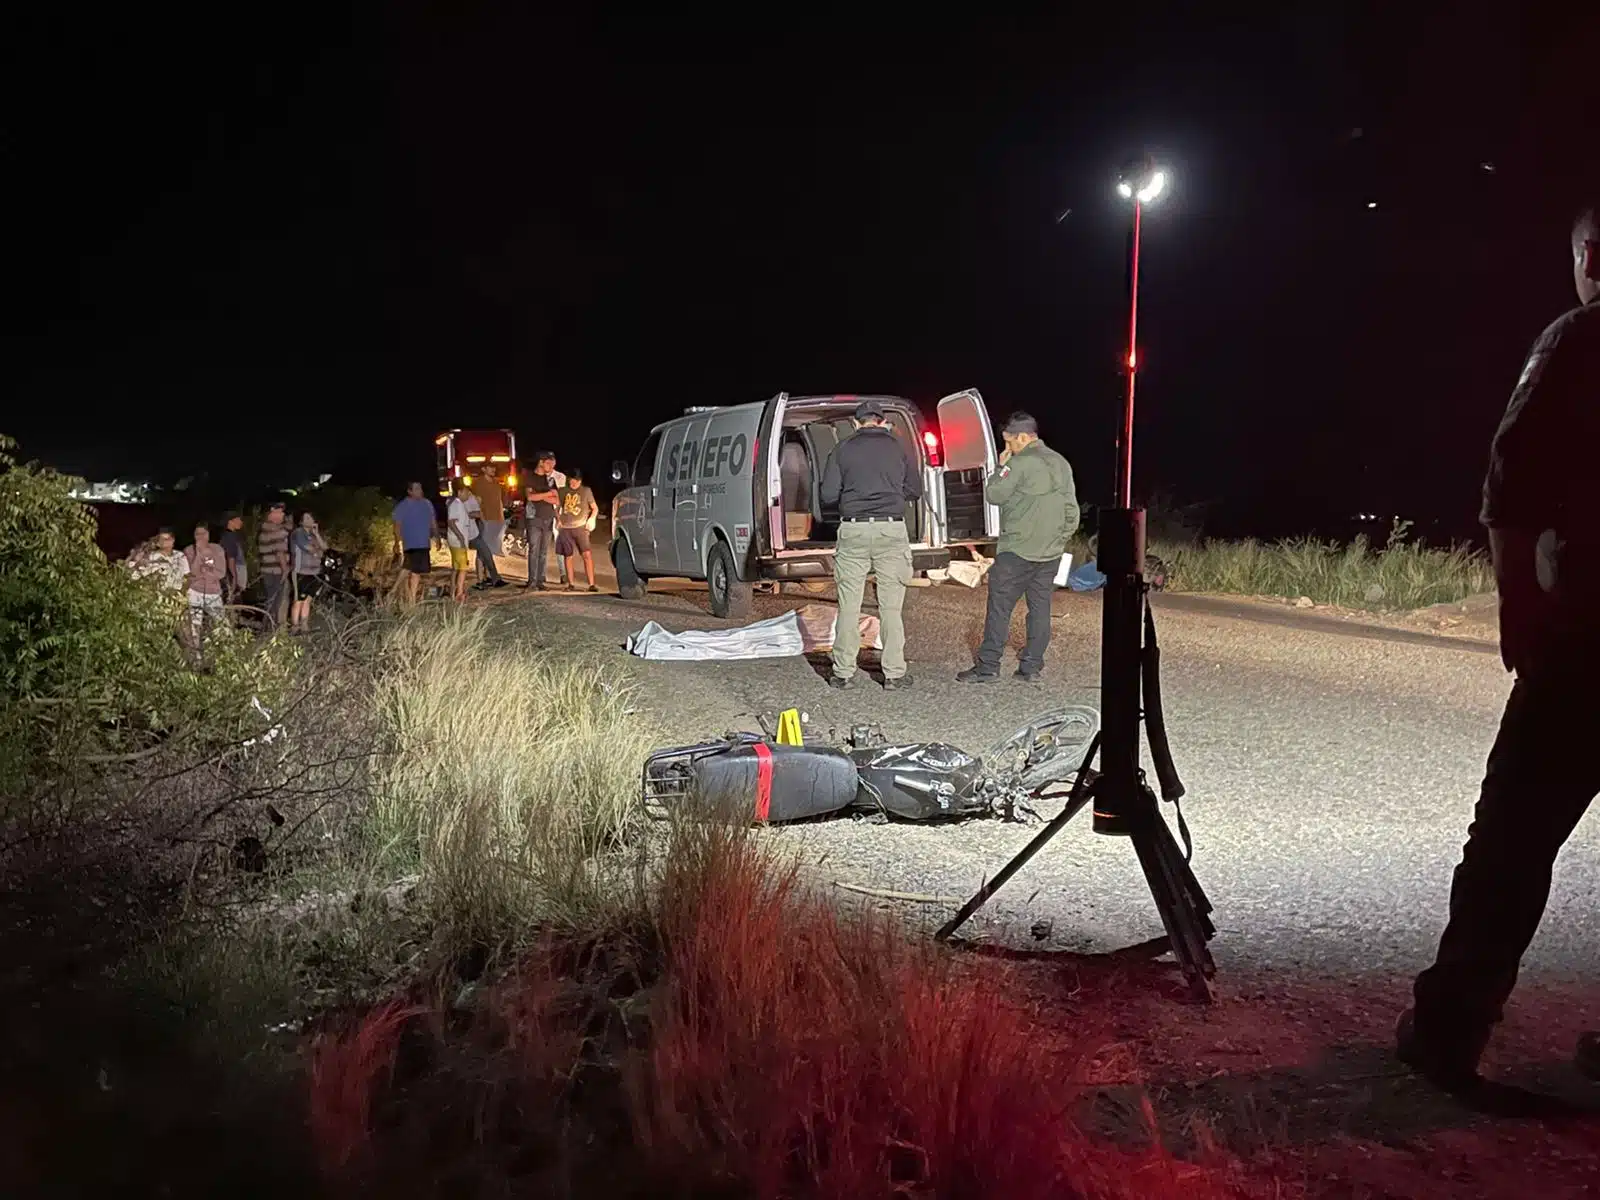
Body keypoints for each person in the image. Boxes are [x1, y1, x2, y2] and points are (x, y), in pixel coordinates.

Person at [1397, 205, 1600, 1094]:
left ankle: (1450, 1030)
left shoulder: (1580, 340)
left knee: (1512, 837)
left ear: (1591, 255)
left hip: (1588, 640)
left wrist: (1520, 608)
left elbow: (1512, 477)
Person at [956, 412, 1080, 684]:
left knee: (1000, 608)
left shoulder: (1021, 463)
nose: (1007, 448)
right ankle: (1030, 668)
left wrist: (1000, 469)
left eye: (1008, 442)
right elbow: (1072, 510)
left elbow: (994, 494)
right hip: (1050, 552)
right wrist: (1060, 540)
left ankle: (988, 667)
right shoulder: (1061, 463)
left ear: (1022, 437)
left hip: (1017, 551)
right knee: (1040, 609)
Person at [819, 399, 923, 690]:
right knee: (891, 608)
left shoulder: (842, 449)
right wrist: (891, 491)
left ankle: (843, 673)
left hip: (854, 531)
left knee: (849, 606)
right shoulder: (900, 447)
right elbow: (915, 489)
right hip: (891, 530)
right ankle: (894, 674)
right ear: (881, 420)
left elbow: (827, 495)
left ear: (856, 422)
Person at [555, 467, 601, 592]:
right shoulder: (562, 491)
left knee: (587, 554)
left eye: (575, 480)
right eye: (571, 480)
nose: (573, 483)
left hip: (581, 527)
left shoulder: (586, 491)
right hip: (565, 528)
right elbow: (556, 507)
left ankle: (591, 584)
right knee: (568, 556)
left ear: (580, 481)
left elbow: (595, 508)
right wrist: (558, 520)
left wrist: (592, 519)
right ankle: (570, 584)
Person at [392, 481, 438, 605]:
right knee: (409, 568)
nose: (420, 491)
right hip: (411, 542)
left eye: (420, 488)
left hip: (423, 542)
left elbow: (432, 521)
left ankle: (410, 598)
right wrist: (397, 542)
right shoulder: (403, 506)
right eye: (416, 489)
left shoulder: (427, 504)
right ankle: (394, 592)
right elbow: (397, 525)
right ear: (409, 491)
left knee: (416, 571)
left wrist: (437, 536)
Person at [184, 521, 228, 642]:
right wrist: (199, 554)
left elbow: (221, 572)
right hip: (195, 592)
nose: (201, 537)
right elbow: (191, 573)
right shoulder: (189, 550)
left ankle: (224, 651)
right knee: (194, 627)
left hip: (213, 592)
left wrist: (205, 573)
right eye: (197, 534)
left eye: (204, 533)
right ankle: (196, 656)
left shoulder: (217, 549)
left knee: (222, 625)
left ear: (209, 534)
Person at [523, 452, 560, 590]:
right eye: (549, 463)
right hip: (534, 517)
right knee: (534, 549)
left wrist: (540, 495)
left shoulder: (550, 480)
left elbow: (557, 500)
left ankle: (540, 580)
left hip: (548, 517)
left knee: (543, 551)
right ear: (541, 462)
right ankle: (531, 581)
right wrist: (548, 494)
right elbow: (530, 497)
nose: (551, 467)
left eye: (553, 464)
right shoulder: (530, 477)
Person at [289, 510, 328, 632]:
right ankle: (295, 626)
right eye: (305, 518)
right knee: (298, 600)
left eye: (310, 518)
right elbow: (308, 548)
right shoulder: (298, 533)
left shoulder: (314, 535)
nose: (308, 520)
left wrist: (317, 535)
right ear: (301, 521)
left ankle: (304, 625)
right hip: (300, 571)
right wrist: (318, 551)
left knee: (308, 599)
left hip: (314, 572)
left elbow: (325, 548)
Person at [257, 502, 292, 628]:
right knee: (278, 600)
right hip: (277, 570)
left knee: (270, 599)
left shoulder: (264, 529)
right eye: (280, 512)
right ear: (272, 512)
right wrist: (285, 570)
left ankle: (267, 626)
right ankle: (272, 628)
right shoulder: (277, 530)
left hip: (266, 570)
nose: (282, 514)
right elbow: (280, 552)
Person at [129, 528, 189, 593]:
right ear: (158, 542)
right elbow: (135, 573)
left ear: (173, 540)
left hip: (175, 595)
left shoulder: (180, 556)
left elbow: (187, 576)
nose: (164, 542)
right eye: (161, 539)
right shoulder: (150, 556)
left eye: (167, 539)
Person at [446, 479, 478, 602]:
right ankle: (459, 593)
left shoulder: (457, 503)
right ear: (459, 492)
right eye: (466, 492)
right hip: (457, 541)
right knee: (463, 568)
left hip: (456, 541)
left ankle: (453, 590)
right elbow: (451, 522)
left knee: (456, 567)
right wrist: (460, 537)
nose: (467, 495)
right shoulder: (456, 504)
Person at [471, 464, 508, 557]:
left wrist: (501, 518)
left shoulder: (496, 483)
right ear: (483, 469)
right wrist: (482, 518)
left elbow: (499, 501)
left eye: (494, 467)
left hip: (496, 519)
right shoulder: (479, 483)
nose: (493, 469)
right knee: (482, 549)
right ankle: (480, 571)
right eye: (490, 467)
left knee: (491, 548)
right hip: (486, 519)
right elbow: (477, 502)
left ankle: (488, 571)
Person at [219, 512, 247, 604]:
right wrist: (234, 578)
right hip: (233, 574)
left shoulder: (233, 536)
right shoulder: (229, 537)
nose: (241, 522)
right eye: (238, 520)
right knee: (234, 601)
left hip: (234, 573)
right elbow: (231, 559)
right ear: (230, 522)